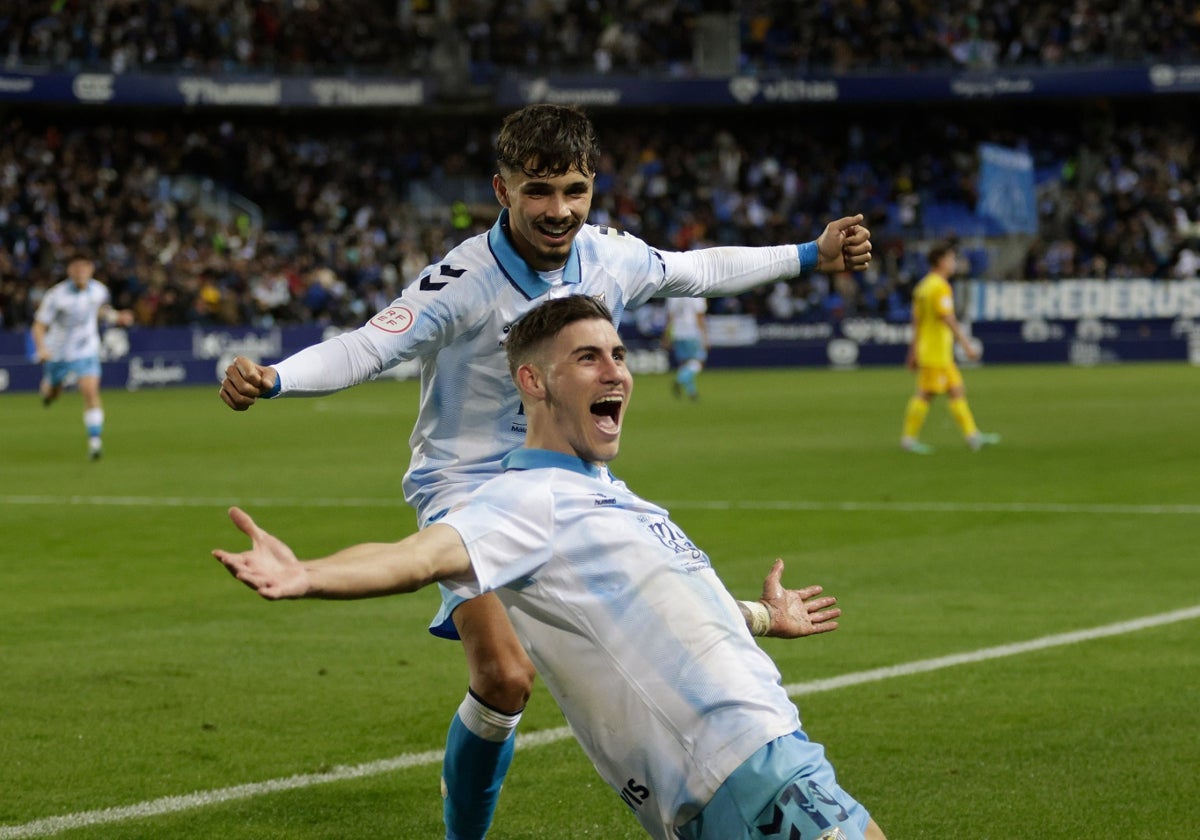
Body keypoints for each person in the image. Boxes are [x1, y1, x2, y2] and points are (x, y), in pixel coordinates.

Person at [218, 103, 872, 840]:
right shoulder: (461, 280)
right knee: (504, 677)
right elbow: (370, 347)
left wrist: (810, 254)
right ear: (502, 191)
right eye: (538, 192)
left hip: (569, 475)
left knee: (641, 621)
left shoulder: (610, 255)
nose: (559, 211)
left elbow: (697, 270)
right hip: (468, 488)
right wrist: (277, 378)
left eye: (574, 190)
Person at [32, 253, 134, 460]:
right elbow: (39, 326)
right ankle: (48, 389)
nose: (80, 271)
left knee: (90, 391)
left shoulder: (99, 290)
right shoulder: (56, 295)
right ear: (69, 270)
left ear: (91, 269)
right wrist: (42, 348)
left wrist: (117, 316)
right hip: (58, 352)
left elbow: (101, 311)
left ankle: (95, 442)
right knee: (53, 393)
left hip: (86, 350)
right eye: (76, 267)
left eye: (84, 267)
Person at [900, 241, 999, 454]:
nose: (955, 263)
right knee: (925, 394)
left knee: (956, 390)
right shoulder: (940, 286)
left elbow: (916, 322)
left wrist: (913, 351)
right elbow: (948, 318)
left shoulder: (923, 286)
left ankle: (973, 436)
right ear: (941, 261)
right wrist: (966, 344)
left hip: (933, 351)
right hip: (936, 353)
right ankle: (908, 440)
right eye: (952, 258)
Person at [663, 296, 708, 399]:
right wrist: (705, 337)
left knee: (685, 364)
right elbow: (699, 317)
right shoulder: (697, 294)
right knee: (698, 363)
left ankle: (692, 392)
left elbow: (670, 317)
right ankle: (679, 380)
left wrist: (666, 336)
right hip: (692, 332)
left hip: (677, 333)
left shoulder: (672, 295)